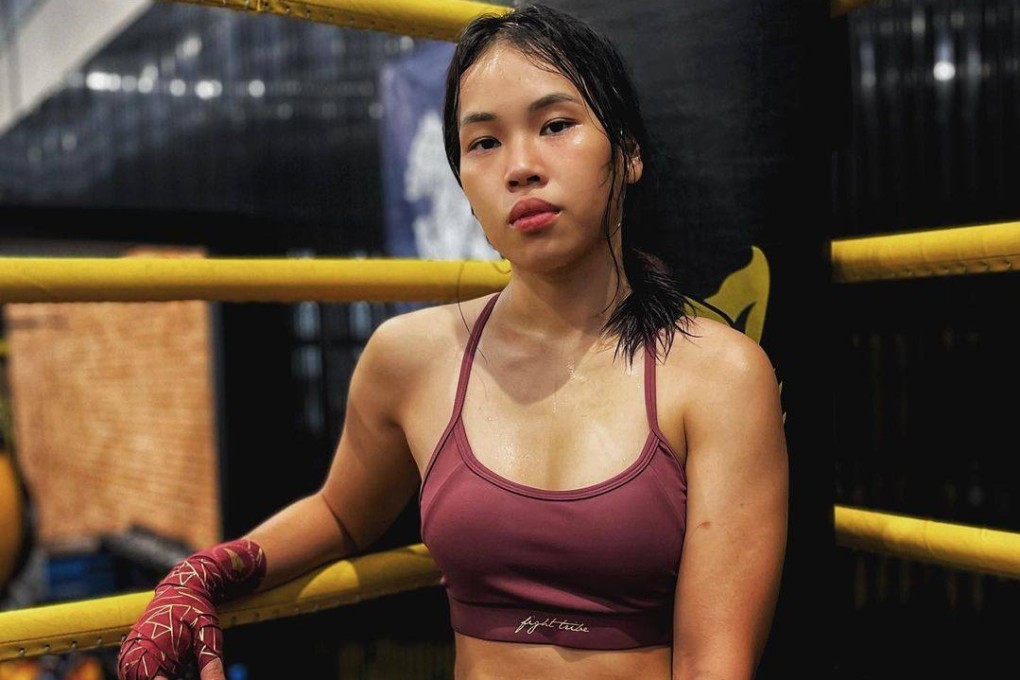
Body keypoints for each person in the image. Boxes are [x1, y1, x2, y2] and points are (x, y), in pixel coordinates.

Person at [116, 4, 788, 679]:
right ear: (463, 185)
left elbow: (712, 664)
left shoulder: (719, 373)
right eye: (484, 143)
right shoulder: (410, 358)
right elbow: (340, 514)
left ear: (630, 153)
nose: (521, 167)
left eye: (556, 125)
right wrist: (202, 575)